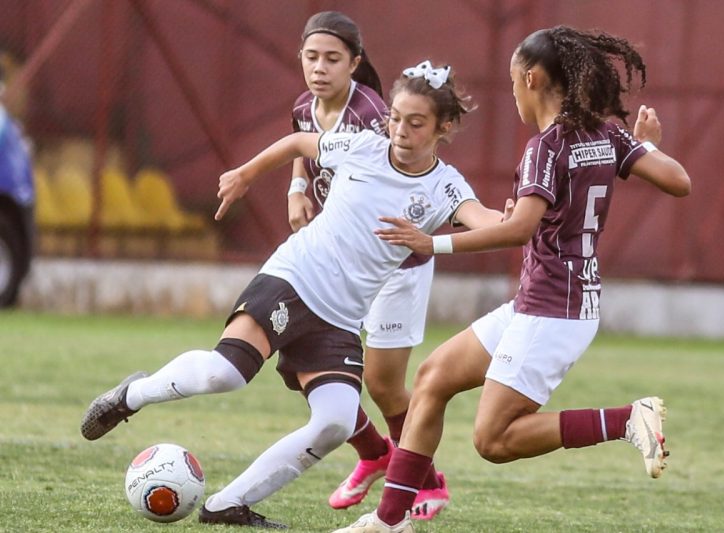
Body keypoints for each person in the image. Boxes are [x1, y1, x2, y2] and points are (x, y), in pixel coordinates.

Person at [80, 61, 507, 529]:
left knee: (336, 422)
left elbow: (480, 217)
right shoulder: (364, 147)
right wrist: (245, 173)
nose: (401, 131)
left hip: (341, 318)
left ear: (445, 127)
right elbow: (299, 144)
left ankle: (226, 506)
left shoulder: (443, 185)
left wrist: (508, 219)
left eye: (416, 122)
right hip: (295, 279)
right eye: (397, 118)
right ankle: (132, 395)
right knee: (226, 374)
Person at [334, 25, 691, 533]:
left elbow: (520, 230)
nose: (514, 96)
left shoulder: (545, 146)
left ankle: (629, 419)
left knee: (493, 442)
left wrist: (428, 241)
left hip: (553, 311)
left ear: (532, 77)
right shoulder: (607, 133)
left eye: (514, 84)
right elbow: (680, 182)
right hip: (547, 302)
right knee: (433, 378)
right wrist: (648, 148)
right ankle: (389, 523)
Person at [287, 12, 450, 519]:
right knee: (300, 365)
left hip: (392, 267)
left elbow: (414, 179)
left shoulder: (374, 116)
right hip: (337, 262)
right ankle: (375, 453)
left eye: (332, 59)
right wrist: (297, 186)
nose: (320, 68)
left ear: (355, 63)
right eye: (312, 57)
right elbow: (302, 141)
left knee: (381, 384)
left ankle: (428, 481)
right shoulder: (302, 106)